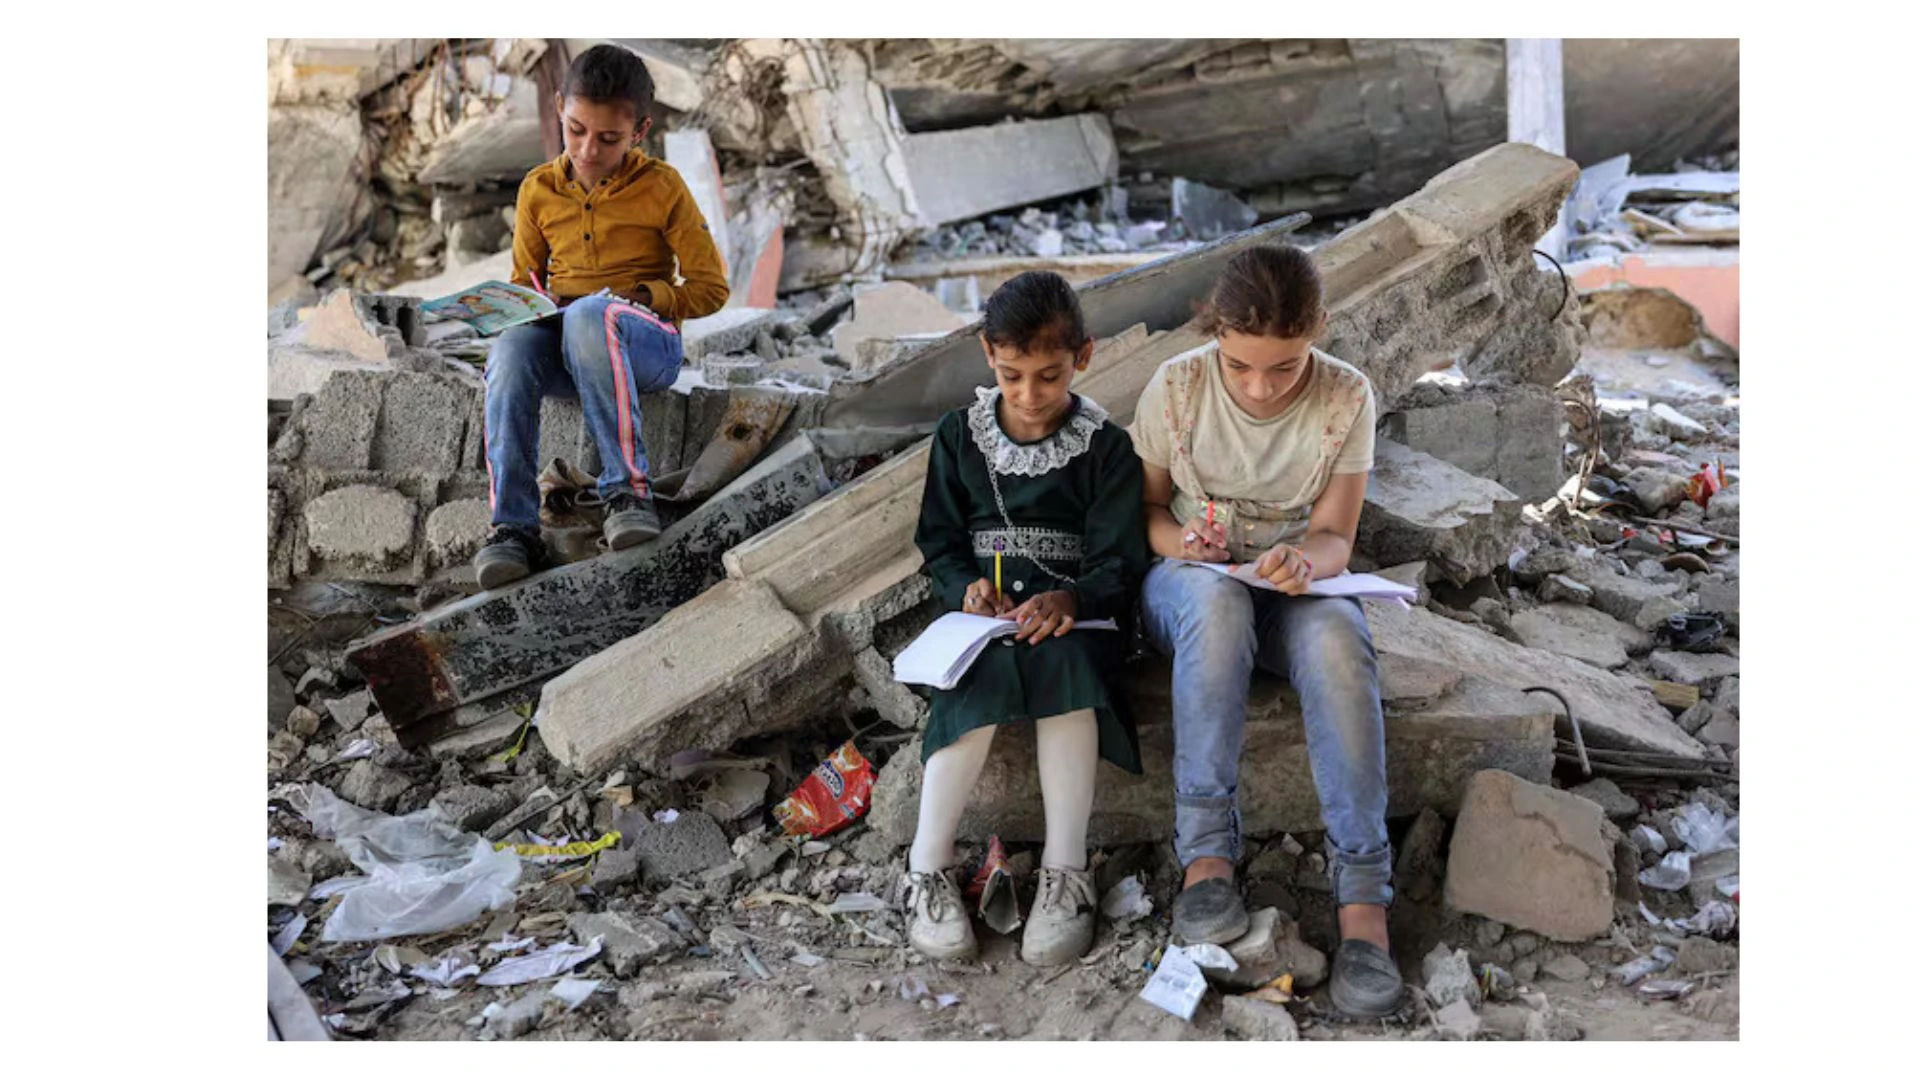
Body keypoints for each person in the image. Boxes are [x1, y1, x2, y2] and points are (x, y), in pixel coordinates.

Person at [1127, 243, 1405, 1017]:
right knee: (1218, 608)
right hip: (1189, 588)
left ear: (1317, 329)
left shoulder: (1347, 398)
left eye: (1284, 368)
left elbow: (1334, 540)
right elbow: (1145, 514)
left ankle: (1363, 906)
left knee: (1339, 641)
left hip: (1288, 591)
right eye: (1239, 364)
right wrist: (1185, 545)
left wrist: (1300, 562)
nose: (1258, 387)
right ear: (1214, 331)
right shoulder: (1176, 388)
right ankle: (1207, 862)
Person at [905, 271, 1149, 965]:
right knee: (981, 664)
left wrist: (1074, 599)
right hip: (984, 621)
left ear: (1085, 356)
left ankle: (1067, 874)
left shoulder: (1106, 449)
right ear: (987, 354)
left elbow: (1120, 561)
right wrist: (966, 591)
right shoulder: (959, 436)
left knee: (1063, 660)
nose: (1030, 396)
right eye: (1012, 375)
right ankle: (927, 869)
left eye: (1049, 375)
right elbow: (940, 542)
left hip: (1078, 622)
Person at [474, 44, 729, 589]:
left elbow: (710, 289)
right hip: (569, 349)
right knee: (512, 349)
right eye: (575, 130)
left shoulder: (663, 187)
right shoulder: (537, 190)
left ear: (639, 131)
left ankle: (626, 493)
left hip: (647, 351)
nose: (589, 150)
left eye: (609, 138)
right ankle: (512, 528)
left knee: (594, 314)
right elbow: (526, 285)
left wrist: (643, 297)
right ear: (560, 108)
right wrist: (513, 312)